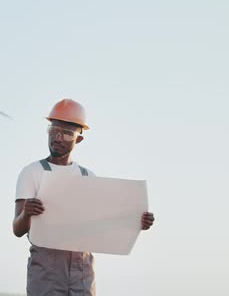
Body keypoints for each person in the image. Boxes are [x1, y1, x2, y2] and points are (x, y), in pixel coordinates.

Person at [12, 99, 155, 296]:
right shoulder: (32, 172)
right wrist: (27, 214)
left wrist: (136, 222)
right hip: (47, 270)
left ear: (78, 139)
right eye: (53, 130)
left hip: (83, 270)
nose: (58, 137)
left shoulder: (88, 177)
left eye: (66, 133)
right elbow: (17, 230)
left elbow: (101, 225)